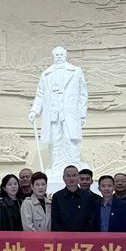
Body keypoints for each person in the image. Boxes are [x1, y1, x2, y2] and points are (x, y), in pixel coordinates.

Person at [28, 46, 88, 174]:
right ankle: (57, 168)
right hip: (53, 115)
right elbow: (40, 94)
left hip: (70, 114)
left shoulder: (76, 71)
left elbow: (83, 95)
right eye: (56, 55)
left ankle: (73, 168)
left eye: (61, 54)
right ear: (53, 56)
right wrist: (34, 111)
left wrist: (82, 115)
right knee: (55, 142)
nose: (59, 57)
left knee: (70, 141)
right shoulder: (46, 74)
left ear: (65, 55)